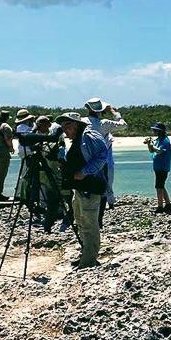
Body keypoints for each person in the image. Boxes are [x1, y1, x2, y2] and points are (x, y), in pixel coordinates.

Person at [62, 115, 109, 268]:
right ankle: (86, 255)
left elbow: (102, 156)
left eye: (66, 126)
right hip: (79, 188)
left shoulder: (89, 136)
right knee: (80, 222)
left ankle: (89, 260)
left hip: (90, 187)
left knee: (89, 224)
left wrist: (85, 171)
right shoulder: (75, 140)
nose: (64, 130)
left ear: (75, 125)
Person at [83, 98, 126, 225]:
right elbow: (123, 125)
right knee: (102, 188)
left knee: (86, 187)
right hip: (101, 160)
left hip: (86, 159)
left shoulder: (82, 122)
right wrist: (114, 113)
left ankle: (87, 215)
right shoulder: (105, 123)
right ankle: (99, 219)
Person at [145, 123, 171, 213]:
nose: (154, 132)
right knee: (161, 186)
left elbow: (159, 151)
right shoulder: (158, 140)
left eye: (155, 130)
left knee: (158, 187)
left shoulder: (165, 141)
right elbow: (151, 150)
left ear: (160, 131)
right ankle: (168, 204)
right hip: (158, 167)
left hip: (163, 167)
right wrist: (149, 143)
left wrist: (151, 145)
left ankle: (160, 206)